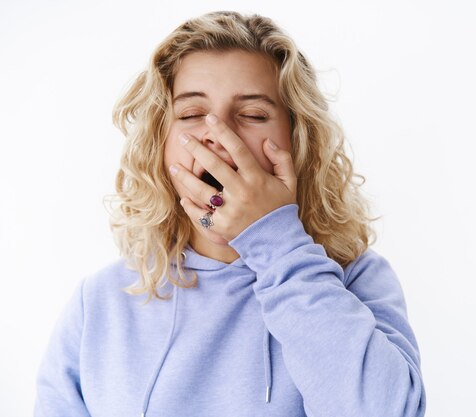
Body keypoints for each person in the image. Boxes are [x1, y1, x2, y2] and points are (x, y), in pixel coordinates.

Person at [34, 10, 426, 417]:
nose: (219, 135)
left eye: (254, 115)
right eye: (189, 115)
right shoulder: (100, 303)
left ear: (297, 139)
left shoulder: (358, 281)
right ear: (159, 142)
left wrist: (276, 242)